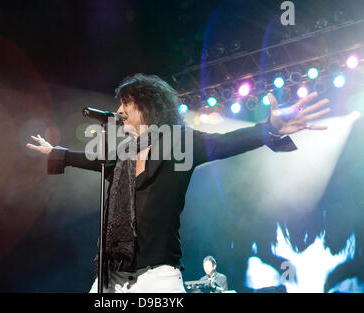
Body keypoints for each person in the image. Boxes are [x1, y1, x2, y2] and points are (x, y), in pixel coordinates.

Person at [26, 73, 330, 293]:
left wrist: (269, 128)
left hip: (156, 277)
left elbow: (224, 143)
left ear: (146, 106)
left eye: (126, 104)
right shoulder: (123, 154)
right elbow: (92, 159)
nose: (118, 111)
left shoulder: (180, 143)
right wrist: (57, 154)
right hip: (112, 277)